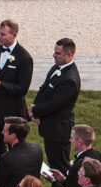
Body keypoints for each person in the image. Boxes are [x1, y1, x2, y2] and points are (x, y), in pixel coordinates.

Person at [27, 38, 82, 176]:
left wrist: (35, 110)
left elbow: (54, 104)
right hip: (51, 126)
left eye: (58, 53)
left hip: (59, 129)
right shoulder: (56, 68)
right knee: (53, 161)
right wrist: (35, 109)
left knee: (60, 165)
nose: (54, 55)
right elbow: (44, 89)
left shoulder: (70, 79)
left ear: (69, 55)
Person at [0, 19, 33, 128]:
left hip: (13, 112)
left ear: (14, 35)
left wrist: (1, 84)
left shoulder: (24, 57)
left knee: (15, 145)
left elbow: (23, 89)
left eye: (3, 34)